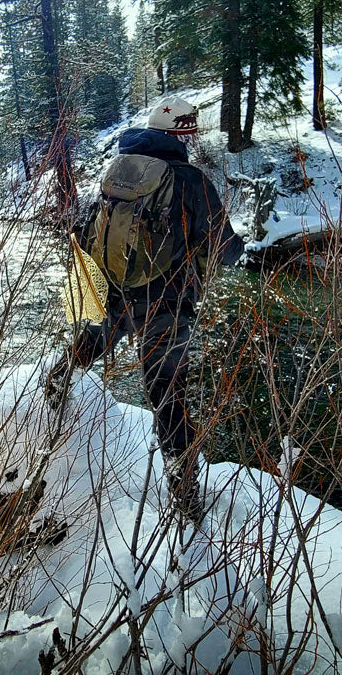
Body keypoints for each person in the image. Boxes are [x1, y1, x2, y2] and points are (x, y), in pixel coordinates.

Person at [46, 96, 244, 524]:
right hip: (168, 304)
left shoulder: (117, 171)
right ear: (181, 136)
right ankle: (185, 495)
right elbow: (226, 249)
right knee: (167, 395)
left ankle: (52, 389)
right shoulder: (190, 179)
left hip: (116, 293)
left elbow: (83, 230)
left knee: (90, 345)